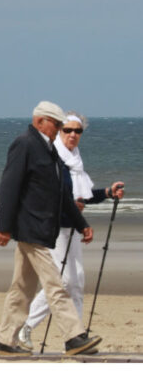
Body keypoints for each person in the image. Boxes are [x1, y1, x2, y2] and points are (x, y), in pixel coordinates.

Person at [0, 101, 101, 356]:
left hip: (41, 230)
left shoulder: (49, 150)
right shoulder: (25, 144)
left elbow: (63, 194)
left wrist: (82, 224)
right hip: (30, 229)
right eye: (57, 124)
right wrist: (4, 227)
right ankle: (74, 337)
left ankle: (5, 340)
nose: (61, 128)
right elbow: (9, 187)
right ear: (40, 121)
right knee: (56, 284)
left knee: (22, 288)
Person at [17, 112, 125, 350]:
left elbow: (82, 196)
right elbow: (44, 195)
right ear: (59, 131)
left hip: (72, 227)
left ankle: (76, 339)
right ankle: (24, 328)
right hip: (53, 229)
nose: (73, 135)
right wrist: (69, 206)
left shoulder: (75, 160)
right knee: (62, 281)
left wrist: (107, 192)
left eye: (78, 131)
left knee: (76, 283)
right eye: (68, 130)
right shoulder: (52, 159)